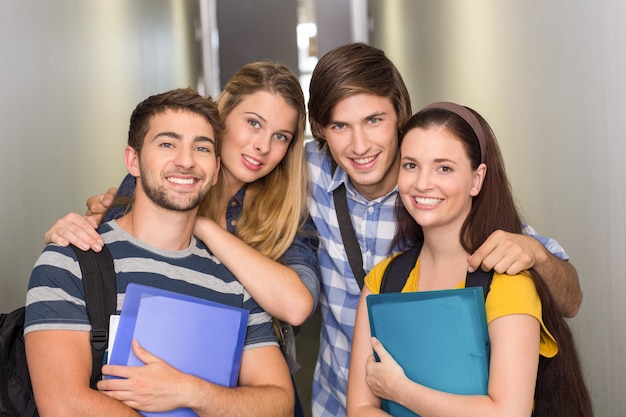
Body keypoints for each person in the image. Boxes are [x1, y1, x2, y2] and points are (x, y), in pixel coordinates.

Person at [305, 43, 583, 417]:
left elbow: (569, 300)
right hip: (332, 397)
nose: (359, 145)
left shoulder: (501, 268)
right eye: (340, 125)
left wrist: (535, 255)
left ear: (398, 115)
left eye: (374, 120)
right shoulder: (306, 176)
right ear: (321, 130)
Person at [42, 62, 320, 417]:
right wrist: (69, 235)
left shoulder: (285, 212)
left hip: (244, 384)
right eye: (253, 123)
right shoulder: (164, 175)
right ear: (224, 117)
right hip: (136, 383)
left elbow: (296, 306)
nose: (262, 146)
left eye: (281, 136)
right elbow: (110, 270)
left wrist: (200, 226)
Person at [346, 102, 592, 416]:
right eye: (411, 165)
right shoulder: (383, 280)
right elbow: (361, 408)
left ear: (477, 180)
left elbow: (507, 412)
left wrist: (400, 390)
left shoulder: (508, 281)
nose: (422, 183)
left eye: (444, 168)